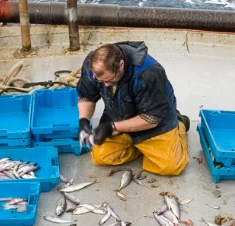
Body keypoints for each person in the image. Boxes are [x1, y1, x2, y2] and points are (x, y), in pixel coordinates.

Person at [76, 41, 190, 176]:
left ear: (121, 64)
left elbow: (151, 118)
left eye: (110, 80)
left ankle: (179, 123)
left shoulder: (149, 72)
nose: (105, 85)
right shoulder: (92, 65)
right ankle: (139, 146)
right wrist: (83, 120)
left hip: (154, 120)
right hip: (118, 115)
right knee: (100, 156)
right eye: (101, 81)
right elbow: (86, 95)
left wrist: (111, 127)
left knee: (170, 167)